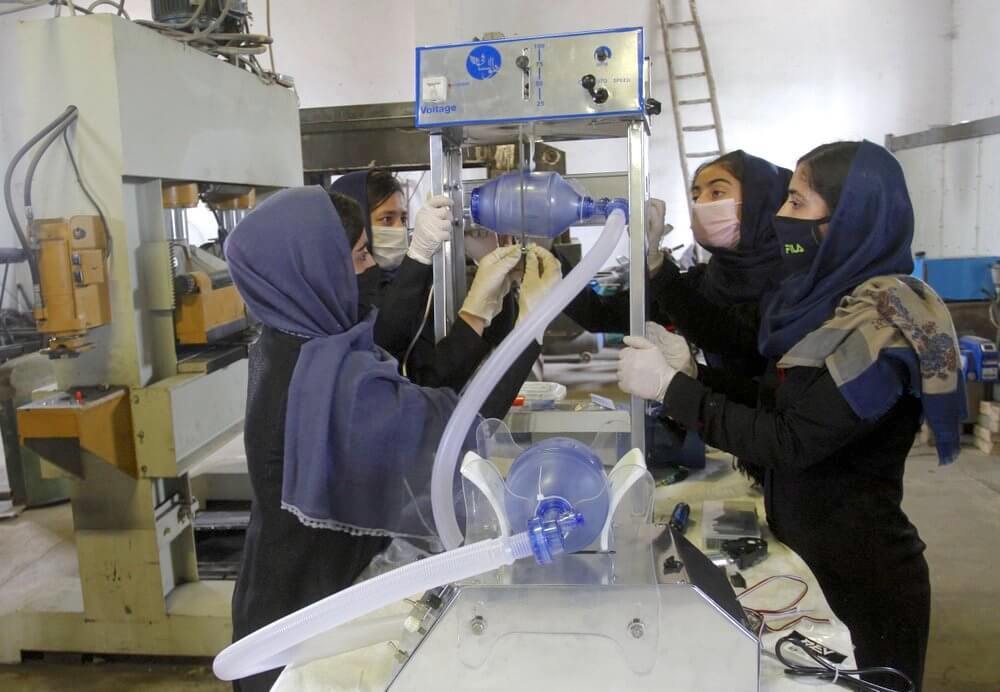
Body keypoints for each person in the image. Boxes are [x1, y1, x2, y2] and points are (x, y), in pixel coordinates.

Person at [617, 140, 964, 690]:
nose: (781, 215)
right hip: (808, 554)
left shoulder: (885, 319)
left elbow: (789, 439)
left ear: (849, 217)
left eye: (798, 203)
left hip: (863, 577)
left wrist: (674, 390)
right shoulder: (826, 300)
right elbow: (776, 399)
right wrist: (695, 377)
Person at [226, 187, 560, 692]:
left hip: (291, 604)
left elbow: (385, 347)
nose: (369, 269)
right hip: (300, 642)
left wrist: (476, 310)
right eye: (359, 255)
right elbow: (457, 439)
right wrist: (531, 326)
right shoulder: (330, 387)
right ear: (314, 268)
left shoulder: (294, 343)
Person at [330, 170, 516, 388]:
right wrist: (418, 256)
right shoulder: (343, 292)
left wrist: (494, 274)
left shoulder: (422, 281)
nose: (399, 229)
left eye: (403, 218)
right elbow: (383, 337)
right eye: (387, 219)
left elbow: (481, 342)